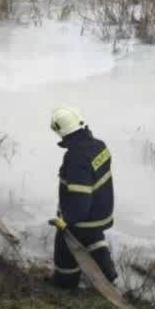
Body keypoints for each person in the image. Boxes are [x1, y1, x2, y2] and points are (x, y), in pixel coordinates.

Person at [49, 107, 117, 289]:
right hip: (100, 214)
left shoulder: (76, 158)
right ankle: (109, 276)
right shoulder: (99, 146)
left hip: (82, 219)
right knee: (93, 239)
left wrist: (67, 223)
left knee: (66, 249)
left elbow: (80, 199)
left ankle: (65, 284)